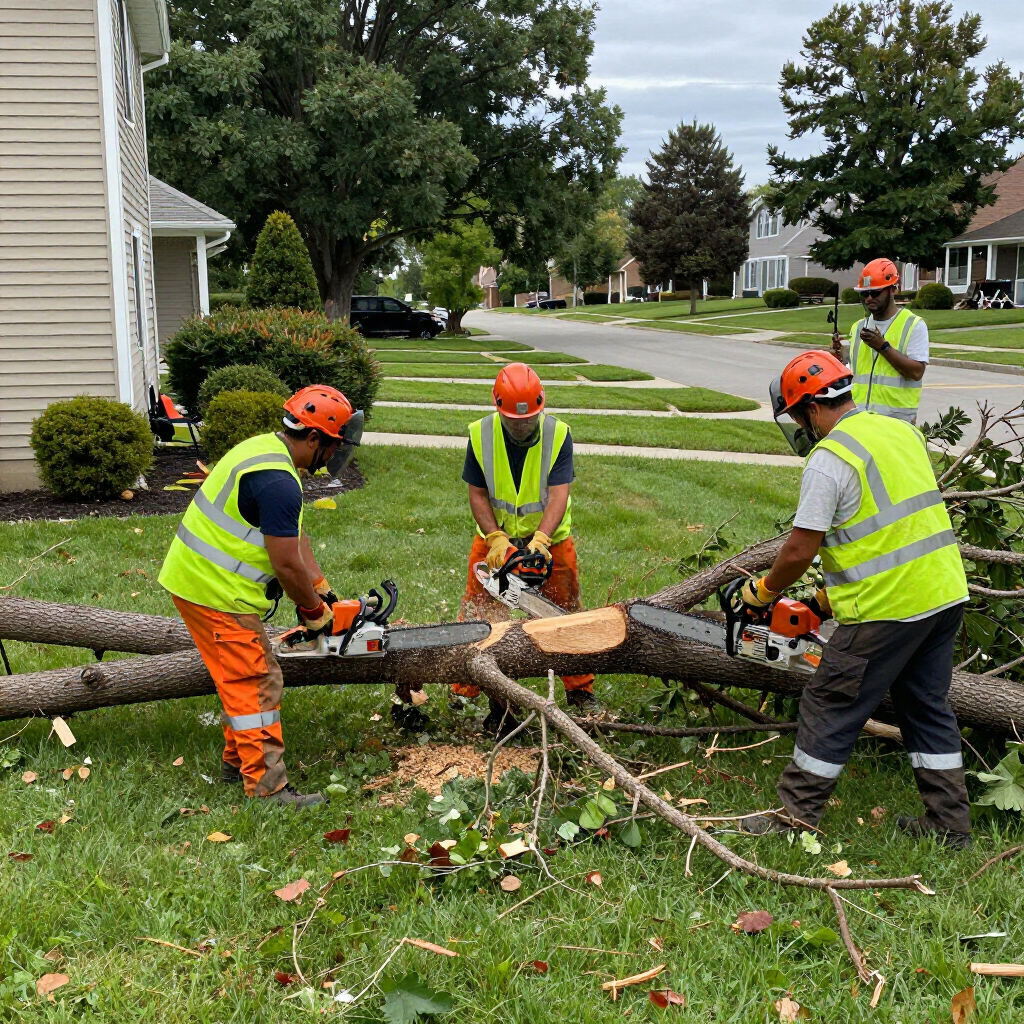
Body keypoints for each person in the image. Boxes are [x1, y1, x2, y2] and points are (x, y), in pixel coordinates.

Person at [741, 350, 971, 848]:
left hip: (889, 609)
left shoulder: (830, 458)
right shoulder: (898, 431)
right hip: (944, 593)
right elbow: (891, 535)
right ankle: (950, 826)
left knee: (829, 702)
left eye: (799, 418)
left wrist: (764, 591)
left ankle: (796, 818)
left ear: (808, 409)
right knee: (926, 705)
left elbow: (801, 547)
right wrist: (822, 603)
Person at [159, 385, 357, 807]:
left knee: (239, 678)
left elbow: (291, 536)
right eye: (333, 446)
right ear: (315, 439)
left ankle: (238, 763)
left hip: (198, 580)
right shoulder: (280, 484)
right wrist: (312, 611)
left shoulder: (264, 450)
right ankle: (268, 789)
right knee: (256, 681)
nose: (332, 457)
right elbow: (285, 565)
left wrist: (320, 588)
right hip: (215, 591)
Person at [454, 362, 599, 718]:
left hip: (550, 540)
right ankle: (467, 691)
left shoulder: (558, 434)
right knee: (480, 612)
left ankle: (580, 693)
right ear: (499, 410)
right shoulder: (480, 434)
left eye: (529, 419)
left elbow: (559, 493)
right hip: (496, 538)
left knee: (565, 613)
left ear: (541, 408)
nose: (522, 425)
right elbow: (477, 493)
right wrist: (494, 537)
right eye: (514, 420)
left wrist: (542, 538)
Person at [830, 258, 928, 423]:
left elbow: (916, 372)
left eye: (875, 292)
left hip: (896, 423)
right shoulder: (858, 327)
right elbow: (852, 371)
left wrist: (882, 347)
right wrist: (838, 355)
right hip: (861, 419)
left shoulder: (913, 325)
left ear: (892, 290)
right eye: (864, 293)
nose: (869, 298)